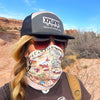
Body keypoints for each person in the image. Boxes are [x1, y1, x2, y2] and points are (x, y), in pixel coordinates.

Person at [0, 11, 91, 100]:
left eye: (59, 42)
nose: (53, 49)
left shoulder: (75, 86)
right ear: (25, 50)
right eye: (41, 42)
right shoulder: (7, 94)